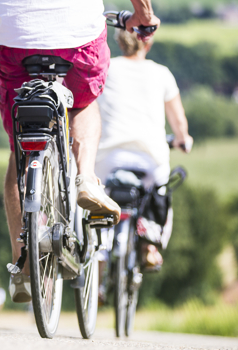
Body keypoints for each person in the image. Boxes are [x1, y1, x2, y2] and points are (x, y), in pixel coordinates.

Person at [0, 0, 161, 302]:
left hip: (15, 37)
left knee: (19, 150)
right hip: (77, 35)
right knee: (84, 102)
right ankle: (85, 178)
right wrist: (143, 13)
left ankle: (23, 265)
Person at [95, 28, 193, 269]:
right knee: (159, 192)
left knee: (98, 197)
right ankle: (149, 246)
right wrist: (183, 139)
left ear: (119, 43)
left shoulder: (105, 68)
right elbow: (178, 121)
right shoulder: (162, 73)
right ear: (147, 45)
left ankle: (97, 254)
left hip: (108, 157)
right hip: (149, 158)